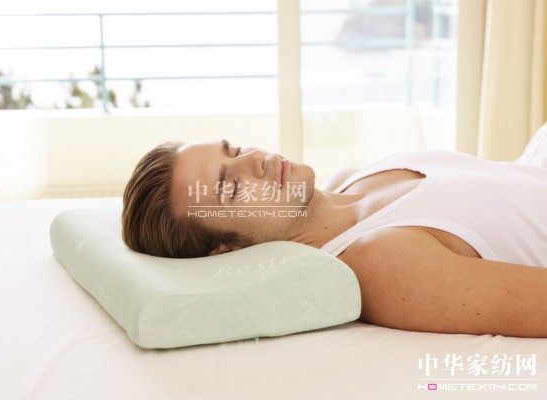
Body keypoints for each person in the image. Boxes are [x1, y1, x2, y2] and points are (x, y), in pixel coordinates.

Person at [122, 123, 547, 338]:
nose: (256, 160)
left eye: (233, 150)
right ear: (222, 249)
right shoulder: (380, 260)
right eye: (231, 187)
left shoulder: (349, 180)